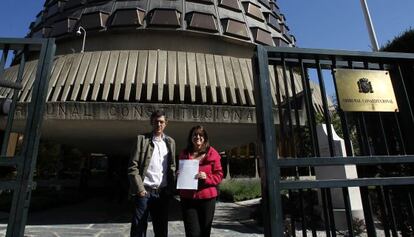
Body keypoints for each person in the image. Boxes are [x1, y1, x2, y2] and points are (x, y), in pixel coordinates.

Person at [128, 110, 176, 237]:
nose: (159, 124)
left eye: (161, 122)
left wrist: (171, 188)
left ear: (166, 123)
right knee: (138, 230)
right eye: (156, 121)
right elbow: (133, 167)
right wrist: (140, 190)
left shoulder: (170, 142)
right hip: (144, 192)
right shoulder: (141, 140)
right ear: (151, 122)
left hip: (162, 193)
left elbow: (172, 166)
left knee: (161, 230)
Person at [178, 125, 223, 237]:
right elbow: (180, 172)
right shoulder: (184, 153)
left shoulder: (213, 153)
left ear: (205, 138)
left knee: (204, 232)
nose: (197, 137)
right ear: (191, 138)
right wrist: (178, 174)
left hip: (207, 199)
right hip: (188, 198)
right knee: (192, 233)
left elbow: (219, 175)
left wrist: (206, 177)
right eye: (195, 134)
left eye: (200, 135)